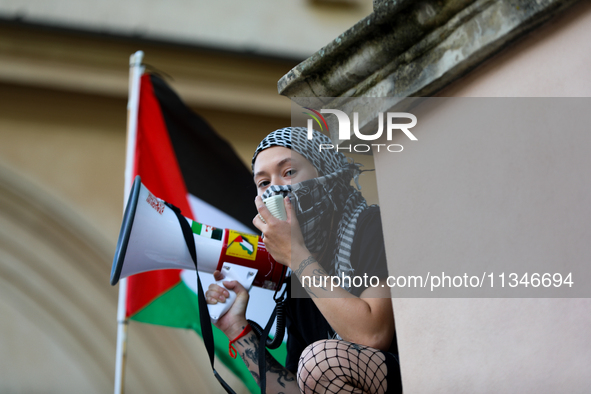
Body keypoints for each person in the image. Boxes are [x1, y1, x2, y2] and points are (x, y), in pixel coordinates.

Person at [206, 127, 402, 393]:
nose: (274, 189)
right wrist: (237, 330)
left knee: (319, 362)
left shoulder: (371, 227)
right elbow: (296, 389)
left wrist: (296, 255)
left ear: (326, 173)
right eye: (264, 183)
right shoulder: (297, 280)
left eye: (288, 172)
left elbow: (372, 335)